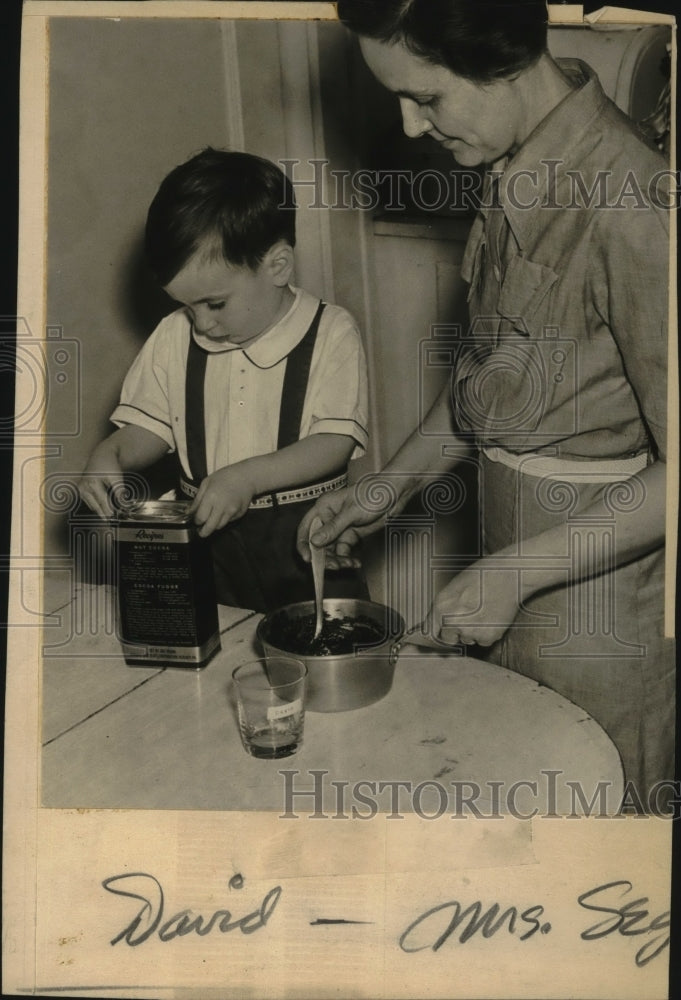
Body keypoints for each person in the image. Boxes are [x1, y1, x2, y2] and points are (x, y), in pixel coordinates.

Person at [297, 0, 674, 808]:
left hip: (597, 611)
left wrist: (516, 572)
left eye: (425, 98)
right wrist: (389, 484)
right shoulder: (510, 164)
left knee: (598, 831)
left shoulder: (637, 200)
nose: (407, 127)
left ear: (501, 61)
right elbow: (489, 384)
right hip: (503, 569)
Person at [79, 148, 369, 612]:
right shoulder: (175, 335)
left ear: (277, 265)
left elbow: (334, 440)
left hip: (303, 537)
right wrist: (110, 453)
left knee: (320, 648)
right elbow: (152, 427)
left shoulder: (331, 332)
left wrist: (247, 479)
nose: (201, 324)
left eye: (214, 304)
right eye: (186, 306)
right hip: (207, 541)